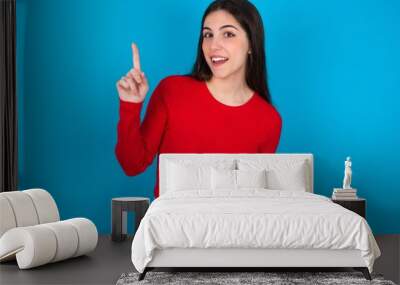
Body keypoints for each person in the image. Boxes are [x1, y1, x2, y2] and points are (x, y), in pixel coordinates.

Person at [115, 0, 282, 198]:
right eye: (208, 34)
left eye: (228, 34)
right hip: (172, 224)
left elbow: (255, 197)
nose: (213, 45)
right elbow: (132, 164)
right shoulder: (172, 91)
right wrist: (130, 106)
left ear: (251, 44)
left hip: (233, 226)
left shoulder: (269, 120)